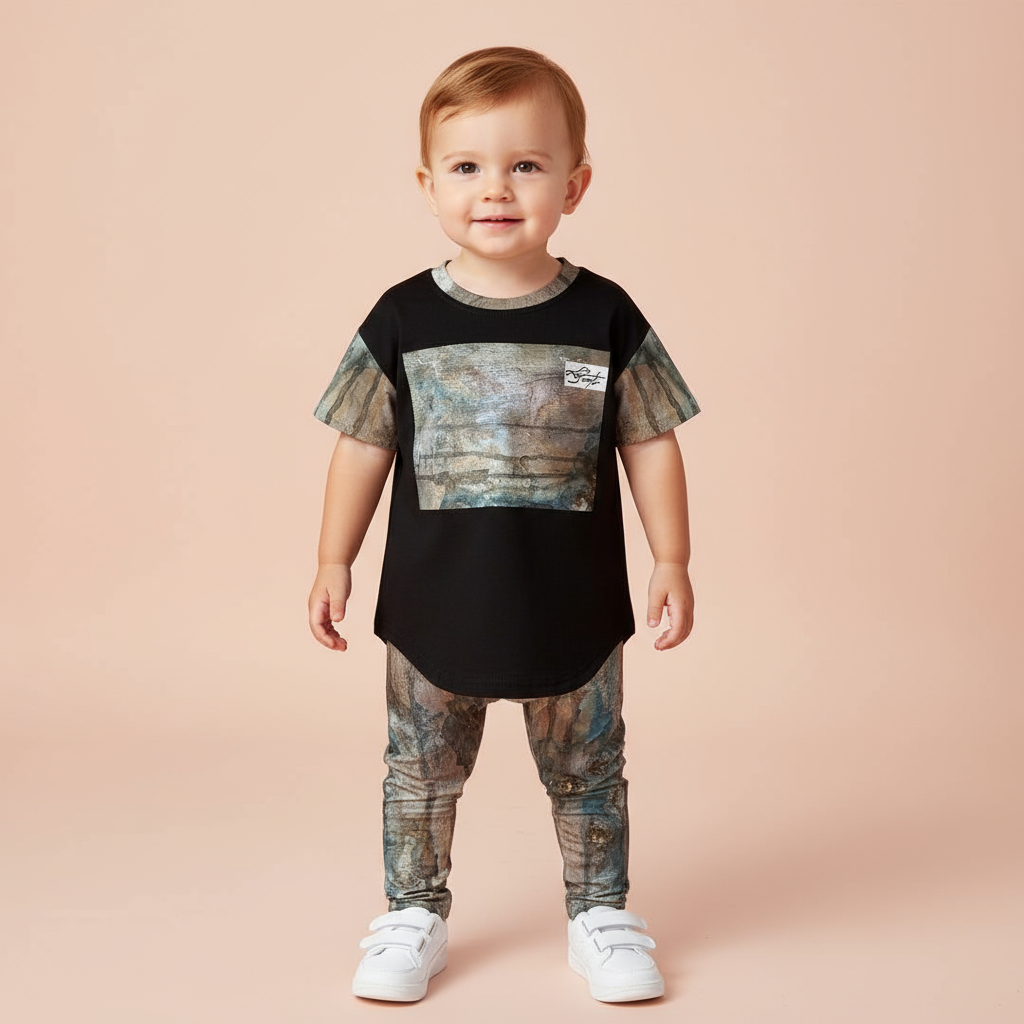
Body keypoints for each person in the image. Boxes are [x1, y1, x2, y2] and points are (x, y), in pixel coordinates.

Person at [307, 45, 700, 1004]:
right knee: (419, 774)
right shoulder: (402, 317)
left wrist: (673, 557)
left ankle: (601, 913)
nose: (495, 189)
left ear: (575, 184)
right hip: (432, 610)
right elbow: (361, 446)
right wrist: (332, 558)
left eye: (525, 164)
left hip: (575, 608)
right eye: (467, 166)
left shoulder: (606, 315)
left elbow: (650, 441)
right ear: (428, 185)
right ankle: (412, 913)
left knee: (590, 772)